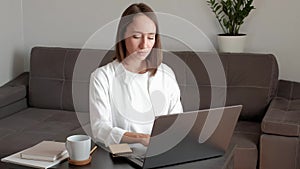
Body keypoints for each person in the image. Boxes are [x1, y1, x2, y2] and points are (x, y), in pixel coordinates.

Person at [89, 3, 183, 147]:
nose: (144, 45)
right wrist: (139, 138)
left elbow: (177, 121)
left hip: (162, 151)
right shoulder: (102, 77)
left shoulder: (166, 74)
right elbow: (100, 128)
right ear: (122, 36)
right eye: (137, 36)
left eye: (150, 37)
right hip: (123, 155)